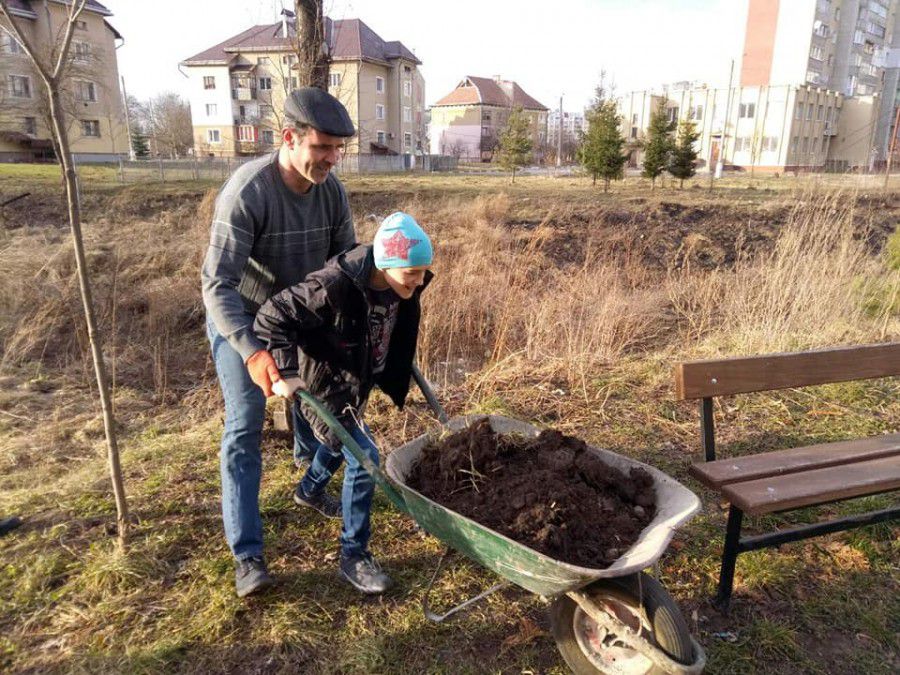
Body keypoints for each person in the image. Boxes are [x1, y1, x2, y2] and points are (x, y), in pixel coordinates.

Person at [201, 87, 357, 598]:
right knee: (244, 426)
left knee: (323, 396)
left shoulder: (331, 191)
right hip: (243, 322)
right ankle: (247, 553)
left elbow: (346, 265)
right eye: (323, 148)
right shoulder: (249, 191)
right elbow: (216, 285)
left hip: (300, 317)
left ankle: (306, 480)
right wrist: (252, 351)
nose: (332, 159)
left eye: (338, 149)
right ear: (289, 139)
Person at [254, 213, 433, 594]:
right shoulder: (334, 284)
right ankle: (354, 554)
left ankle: (309, 491)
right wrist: (286, 372)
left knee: (338, 443)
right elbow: (273, 316)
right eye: (413, 273)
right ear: (387, 263)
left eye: (423, 272)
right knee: (364, 456)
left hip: (356, 376)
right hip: (324, 381)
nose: (420, 282)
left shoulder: (396, 283)